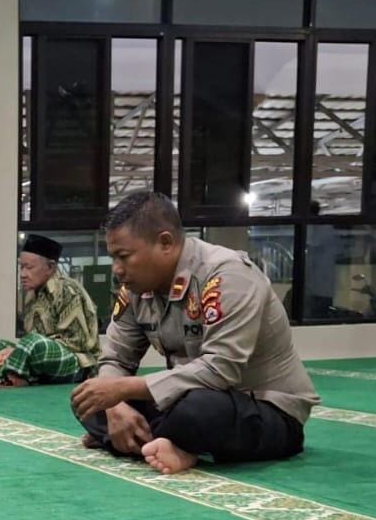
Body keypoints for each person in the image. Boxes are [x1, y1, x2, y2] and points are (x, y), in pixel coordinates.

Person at [70, 192, 320, 475]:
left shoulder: (227, 275)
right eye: (113, 257)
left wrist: (123, 391)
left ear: (165, 242)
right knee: (88, 400)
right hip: (185, 398)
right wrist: (115, 406)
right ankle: (165, 441)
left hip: (262, 408)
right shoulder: (137, 289)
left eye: (124, 257)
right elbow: (115, 359)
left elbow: (221, 370)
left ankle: (135, 439)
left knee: (199, 409)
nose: (117, 269)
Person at [0, 234, 101, 386]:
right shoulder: (32, 295)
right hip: (41, 361)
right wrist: (15, 351)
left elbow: (77, 342)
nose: (23, 274)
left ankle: (9, 375)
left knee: (33, 343)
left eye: (29, 268)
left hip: (76, 364)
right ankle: (15, 374)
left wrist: (19, 350)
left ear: (50, 267)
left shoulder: (67, 290)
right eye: (21, 267)